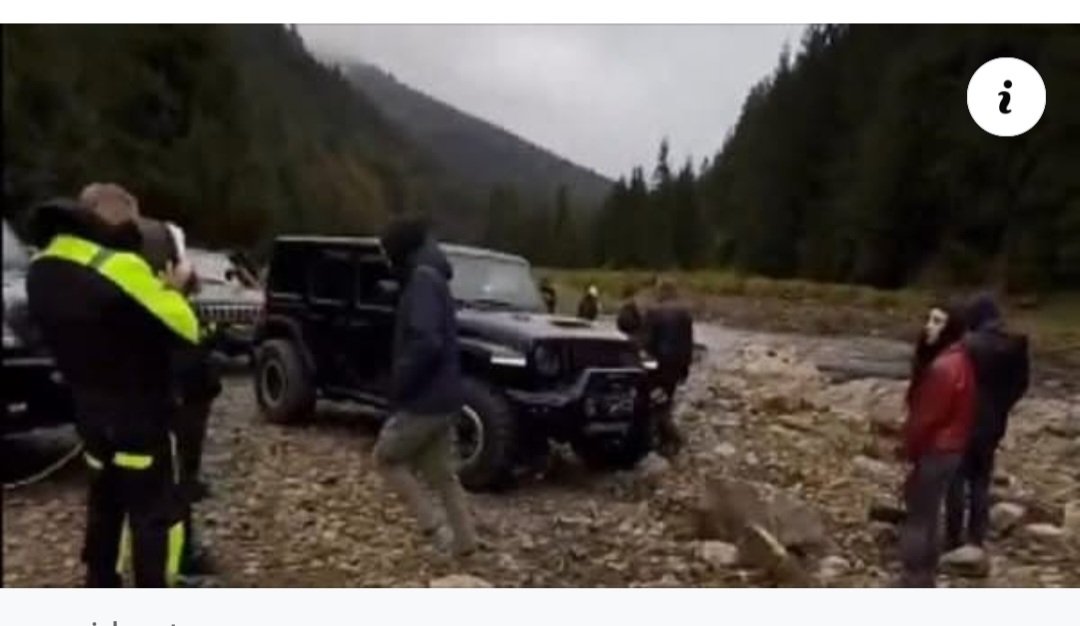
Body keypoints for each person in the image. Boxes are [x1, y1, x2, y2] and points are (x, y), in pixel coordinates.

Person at [26, 191, 199, 587]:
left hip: (89, 412)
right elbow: (185, 328)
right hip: (139, 417)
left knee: (104, 504)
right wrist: (174, 290)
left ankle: (101, 584)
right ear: (116, 224)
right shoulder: (117, 266)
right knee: (153, 513)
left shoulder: (42, 267)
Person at [373, 216, 477, 557]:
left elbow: (426, 341)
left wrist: (399, 382)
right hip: (446, 397)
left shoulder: (421, 281)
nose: (384, 259)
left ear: (399, 250)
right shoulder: (434, 276)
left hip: (423, 399)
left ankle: (432, 526)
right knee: (443, 475)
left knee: (385, 459)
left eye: (385, 252)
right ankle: (465, 541)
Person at [131, 212, 222, 576]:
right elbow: (188, 355)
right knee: (174, 482)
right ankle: (180, 562)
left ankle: (170, 555)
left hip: (164, 403)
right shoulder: (166, 304)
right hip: (178, 403)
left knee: (161, 484)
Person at [897, 302, 976, 587]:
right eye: (929, 319)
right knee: (930, 514)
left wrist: (910, 451)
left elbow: (925, 419)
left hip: (935, 448)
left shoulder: (942, 367)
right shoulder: (961, 359)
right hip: (952, 448)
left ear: (950, 328)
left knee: (918, 516)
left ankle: (913, 577)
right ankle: (925, 575)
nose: (928, 326)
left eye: (937, 321)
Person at [945, 293, 1029, 551]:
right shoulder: (1015, 346)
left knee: (956, 478)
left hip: (961, 420)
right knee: (981, 479)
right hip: (993, 422)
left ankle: (953, 537)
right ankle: (977, 537)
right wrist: (1001, 407)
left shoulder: (965, 345)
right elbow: (1020, 385)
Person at [641, 279, 694, 457]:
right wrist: (685, 368)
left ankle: (671, 438)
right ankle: (663, 440)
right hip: (676, 365)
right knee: (665, 398)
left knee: (656, 401)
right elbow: (688, 343)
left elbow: (646, 341)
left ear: (660, 292)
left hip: (658, 365)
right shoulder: (685, 314)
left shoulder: (653, 312)